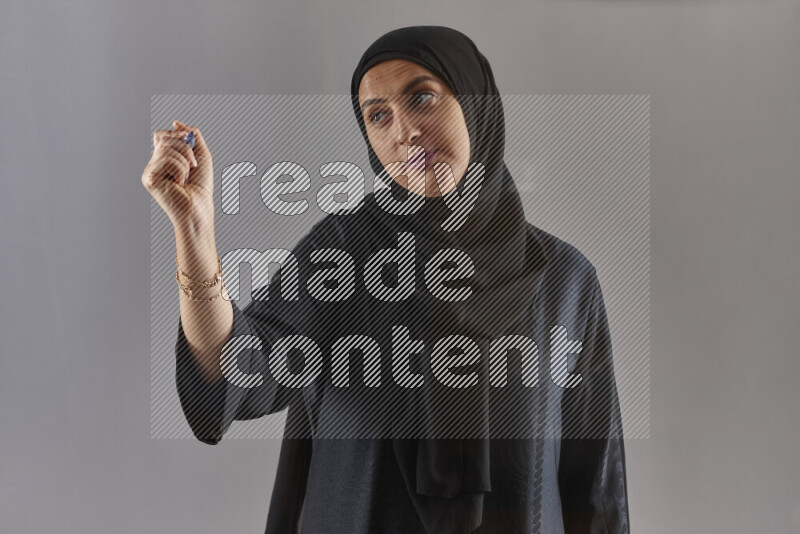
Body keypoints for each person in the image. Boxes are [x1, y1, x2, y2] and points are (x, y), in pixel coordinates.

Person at [142, 25, 630, 534]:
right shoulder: (343, 257)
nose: (404, 131)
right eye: (379, 115)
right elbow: (236, 373)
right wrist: (194, 230)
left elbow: (595, 492)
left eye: (422, 98)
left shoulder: (566, 281)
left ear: (475, 100)